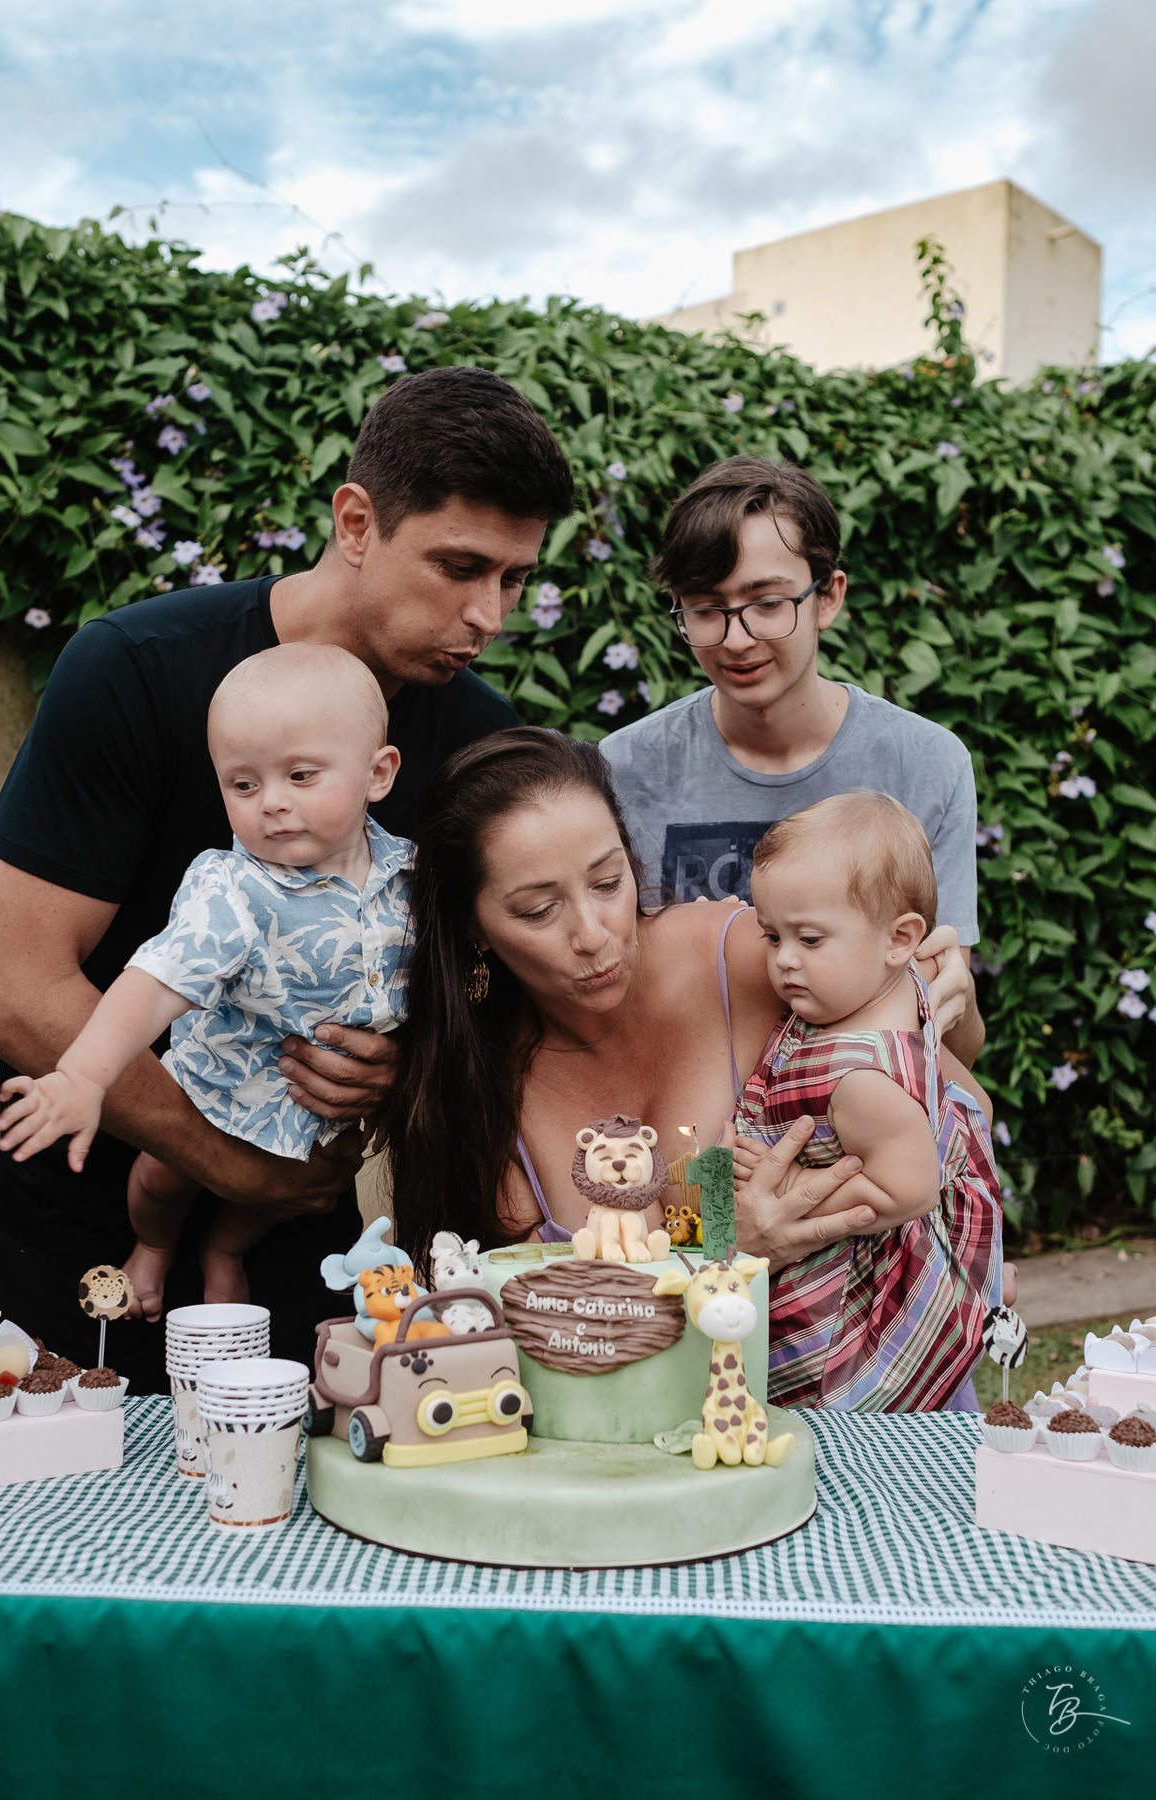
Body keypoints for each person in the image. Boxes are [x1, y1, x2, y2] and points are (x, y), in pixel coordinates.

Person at [0, 368, 574, 1389]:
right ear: (357, 521)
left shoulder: (480, 740)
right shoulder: (135, 669)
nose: (491, 613)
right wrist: (231, 1161)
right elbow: (9, 985)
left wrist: (402, 1064)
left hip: (323, 1257)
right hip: (93, 1245)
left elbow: (496, 1000)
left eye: (513, 578)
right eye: (461, 565)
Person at [384, 727, 988, 1409]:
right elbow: (547, 1351)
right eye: (538, 910)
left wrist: (941, 1006)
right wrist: (728, 1247)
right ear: (474, 928)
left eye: (609, 882)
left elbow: (962, 1108)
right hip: (672, 1444)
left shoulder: (752, 960)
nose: (593, 932)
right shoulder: (479, 1093)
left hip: (898, 1403)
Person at [0, 644, 413, 1322]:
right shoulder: (235, 887)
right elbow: (156, 980)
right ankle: (154, 1248)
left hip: (320, 1105)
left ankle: (225, 1251)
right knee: (162, 1177)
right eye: (243, 786)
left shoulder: (412, 876)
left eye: (301, 776)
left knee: (293, 1192)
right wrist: (83, 1076)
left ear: (378, 773)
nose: (271, 805)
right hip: (220, 1083)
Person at [600, 456, 985, 1068]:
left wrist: (953, 1006)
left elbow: (952, 1045)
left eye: (768, 603)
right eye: (705, 609)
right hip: (692, 1136)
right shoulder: (624, 768)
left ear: (827, 597)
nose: (736, 639)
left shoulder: (925, 763)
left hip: (862, 1129)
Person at [730, 791, 1001, 1410]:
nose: (784, 961)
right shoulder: (881, 989)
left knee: (837, 1417)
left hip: (856, 1305)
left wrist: (805, 1184)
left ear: (900, 938)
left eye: (811, 939)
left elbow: (909, 1188)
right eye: (772, 935)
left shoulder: (861, 1078)